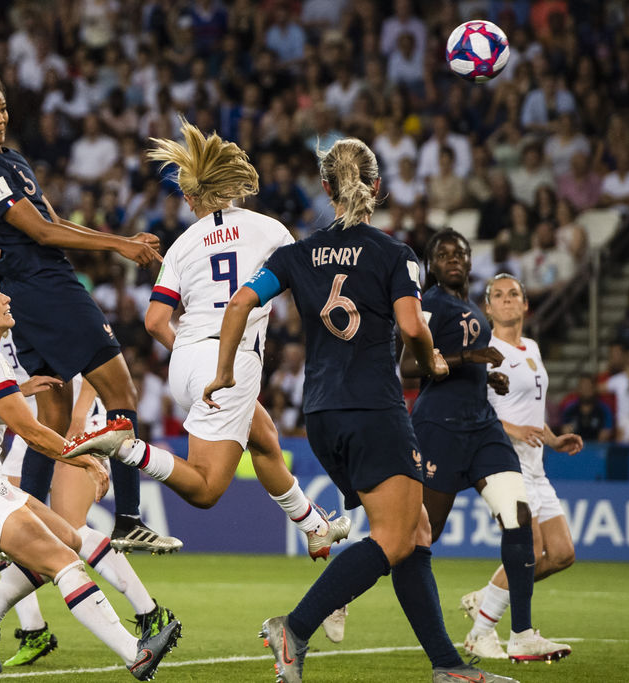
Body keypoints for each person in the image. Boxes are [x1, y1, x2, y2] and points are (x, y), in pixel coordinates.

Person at [204, 138, 512, 683]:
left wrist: (225, 371)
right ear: (375, 186)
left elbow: (239, 304)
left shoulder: (295, 254)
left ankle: (446, 665)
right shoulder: (395, 254)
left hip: (321, 414)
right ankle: (294, 629)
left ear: (326, 188)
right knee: (395, 538)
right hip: (373, 406)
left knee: (414, 530)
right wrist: (432, 362)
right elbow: (414, 327)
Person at [0, 30, 179, 553]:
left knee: (53, 414)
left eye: (3, 108)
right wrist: (121, 245)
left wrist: (111, 240)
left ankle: (18, 531)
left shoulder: (10, 159)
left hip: (36, 287)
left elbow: (54, 222)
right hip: (43, 287)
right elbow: (39, 232)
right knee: (119, 390)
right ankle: (127, 516)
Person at [99, 119, 349, 564]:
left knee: (266, 439)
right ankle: (126, 446)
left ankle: (314, 527)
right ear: (232, 188)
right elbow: (309, 295)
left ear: (192, 196)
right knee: (208, 490)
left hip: (187, 360)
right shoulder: (269, 229)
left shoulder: (181, 245)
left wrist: (192, 358)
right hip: (230, 363)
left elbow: (156, 321)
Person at [0, 274, 181, 679]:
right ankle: (136, 655)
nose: (5, 297)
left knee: (70, 539)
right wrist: (86, 460)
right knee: (64, 562)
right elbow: (33, 432)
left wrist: (19, 387)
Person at [402, 230, 572, 663]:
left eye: (460, 252)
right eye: (443, 254)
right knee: (417, 535)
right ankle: (345, 590)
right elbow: (408, 366)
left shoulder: (471, 310)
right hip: (439, 429)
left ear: (470, 259)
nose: (453, 259)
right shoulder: (430, 305)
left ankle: (521, 633)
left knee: (519, 521)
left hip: (481, 432)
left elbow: (466, 372)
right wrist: (469, 362)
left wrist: (484, 376)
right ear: (431, 264)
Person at [459, 274, 584, 659]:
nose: (508, 299)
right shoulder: (485, 349)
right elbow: (473, 408)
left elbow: (530, 411)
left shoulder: (531, 347)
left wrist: (553, 438)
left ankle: (488, 594)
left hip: (536, 465)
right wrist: (511, 428)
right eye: (498, 295)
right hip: (503, 460)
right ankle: (484, 630)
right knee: (530, 546)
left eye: (514, 294)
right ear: (488, 307)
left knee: (561, 553)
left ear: (526, 304)